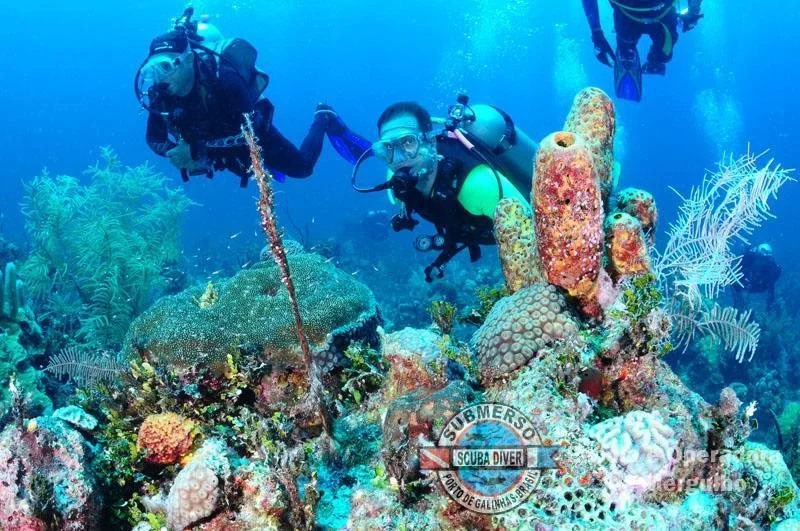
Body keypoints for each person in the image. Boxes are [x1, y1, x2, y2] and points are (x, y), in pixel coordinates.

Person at [134, 8, 369, 187]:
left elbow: (253, 126)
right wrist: (173, 151)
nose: (160, 78)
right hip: (209, 144)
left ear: (188, 59)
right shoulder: (159, 93)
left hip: (249, 134)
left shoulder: (223, 79)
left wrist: (196, 149)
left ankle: (324, 117)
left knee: (303, 168)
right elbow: (153, 137)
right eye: (151, 70)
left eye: (165, 67)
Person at [352, 98, 536, 282]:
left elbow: (533, 236)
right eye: (387, 148)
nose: (398, 158)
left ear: (430, 140)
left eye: (408, 142)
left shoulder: (478, 185)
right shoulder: (397, 177)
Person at [582, 0, 703, 101]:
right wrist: (597, 35)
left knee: (663, 54)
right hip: (629, 14)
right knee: (630, 47)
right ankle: (631, 56)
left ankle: (650, 60)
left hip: (658, 14)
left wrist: (597, 34)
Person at [733, 243, 782, 312]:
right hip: (742, 282)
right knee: (739, 297)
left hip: (758, 286)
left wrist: (770, 302)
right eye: (761, 258)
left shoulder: (770, 266)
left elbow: (771, 284)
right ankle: (739, 306)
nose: (762, 261)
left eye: (765, 259)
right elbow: (736, 271)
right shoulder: (748, 258)